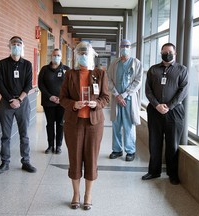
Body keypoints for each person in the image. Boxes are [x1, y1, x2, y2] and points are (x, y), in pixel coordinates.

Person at [59, 41, 109, 210]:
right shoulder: (70, 74)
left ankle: (88, 194)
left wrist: (97, 104)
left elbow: (106, 97)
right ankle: (75, 193)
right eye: (80, 53)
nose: (83, 56)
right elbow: (62, 98)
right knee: (74, 158)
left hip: (94, 124)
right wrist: (74, 104)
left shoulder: (100, 74)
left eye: (86, 53)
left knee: (91, 158)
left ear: (92, 55)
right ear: (75, 56)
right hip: (74, 123)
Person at [142, 42, 188, 185]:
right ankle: (153, 171)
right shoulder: (153, 70)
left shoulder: (182, 70)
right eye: (164, 51)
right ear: (161, 53)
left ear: (175, 54)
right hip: (155, 111)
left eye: (169, 52)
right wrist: (157, 105)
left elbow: (183, 90)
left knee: (172, 144)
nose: (166, 54)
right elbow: (148, 90)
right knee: (154, 142)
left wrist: (168, 106)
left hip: (174, 112)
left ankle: (172, 174)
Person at [0, 36, 37, 174]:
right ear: (9, 46)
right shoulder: (2, 64)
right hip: (6, 104)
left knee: (24, 134)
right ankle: (4, 162)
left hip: (23, 103)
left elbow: (28, 84)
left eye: (19, 44)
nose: (16, 46)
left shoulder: (27, 64)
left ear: (22, 46)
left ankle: (26, 161)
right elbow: (0, 84)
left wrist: (19, 100)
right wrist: (10, 100)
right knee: (5, 135)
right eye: (14, 44)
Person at [107, 39, 143, 162]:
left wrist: (125, 94)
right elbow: (109, 80)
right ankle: (117, 150)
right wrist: (117, 95)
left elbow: (138, 81)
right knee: (116, 124)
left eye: (127, 46)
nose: (125, 48)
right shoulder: (114, 63)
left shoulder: (136, 63)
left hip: (129, 99)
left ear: (130, 47)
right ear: (119, 47)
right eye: (123, 45)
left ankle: (130, 151)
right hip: (116, 98)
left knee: (129, 125)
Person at [38, 49, 70, 154]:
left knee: (60, 124)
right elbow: (41, 85)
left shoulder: (66, 70)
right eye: (54, 55)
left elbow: (70, 86)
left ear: (61, 57)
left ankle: (59, 146)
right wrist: (50, 96)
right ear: (51, 56)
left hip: (62, 102)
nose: (56, 57)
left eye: (58, 55)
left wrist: (62, 98)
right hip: (48, 102)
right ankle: (50, 145)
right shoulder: (44, 69)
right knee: (50, 124)